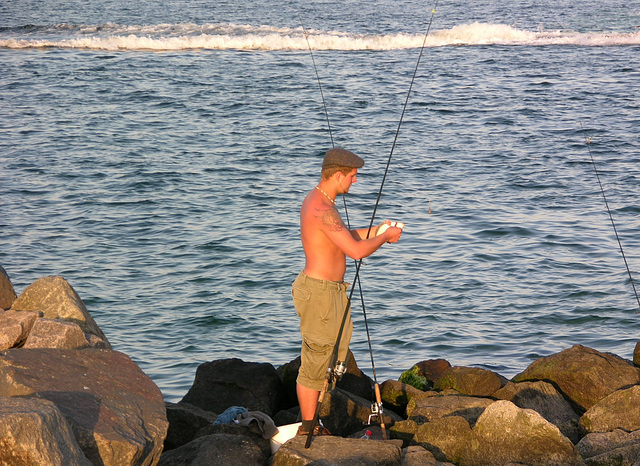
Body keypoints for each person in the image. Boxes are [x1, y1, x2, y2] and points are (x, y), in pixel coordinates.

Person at [291, 147, 403, 436]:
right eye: (352, 176)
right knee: (316, 359)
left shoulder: (323, 201)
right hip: (320, 294)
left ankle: (312, 424)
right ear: (338, 174)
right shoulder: (322, 208)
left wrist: (376, 231)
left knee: (327, 357)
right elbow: (354, 252)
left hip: (328, 292)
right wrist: (386, 238)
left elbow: (344, 238)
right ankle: (307, 428)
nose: (355, 181)